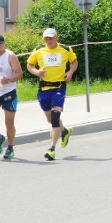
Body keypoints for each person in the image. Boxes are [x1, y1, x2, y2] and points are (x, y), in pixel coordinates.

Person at [26, 28, 77, 161]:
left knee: (55, 117)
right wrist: (37, 72)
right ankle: (64, 131)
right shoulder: (39, 50)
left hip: (59, 87)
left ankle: (51, 149)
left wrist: (70, 72)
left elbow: (74, 62)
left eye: (51, 38)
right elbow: (29, 65)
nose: (48, 41)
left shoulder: (66, 49)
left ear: (56, 37)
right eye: (46, 38)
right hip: (44, 89)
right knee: (50, 119)